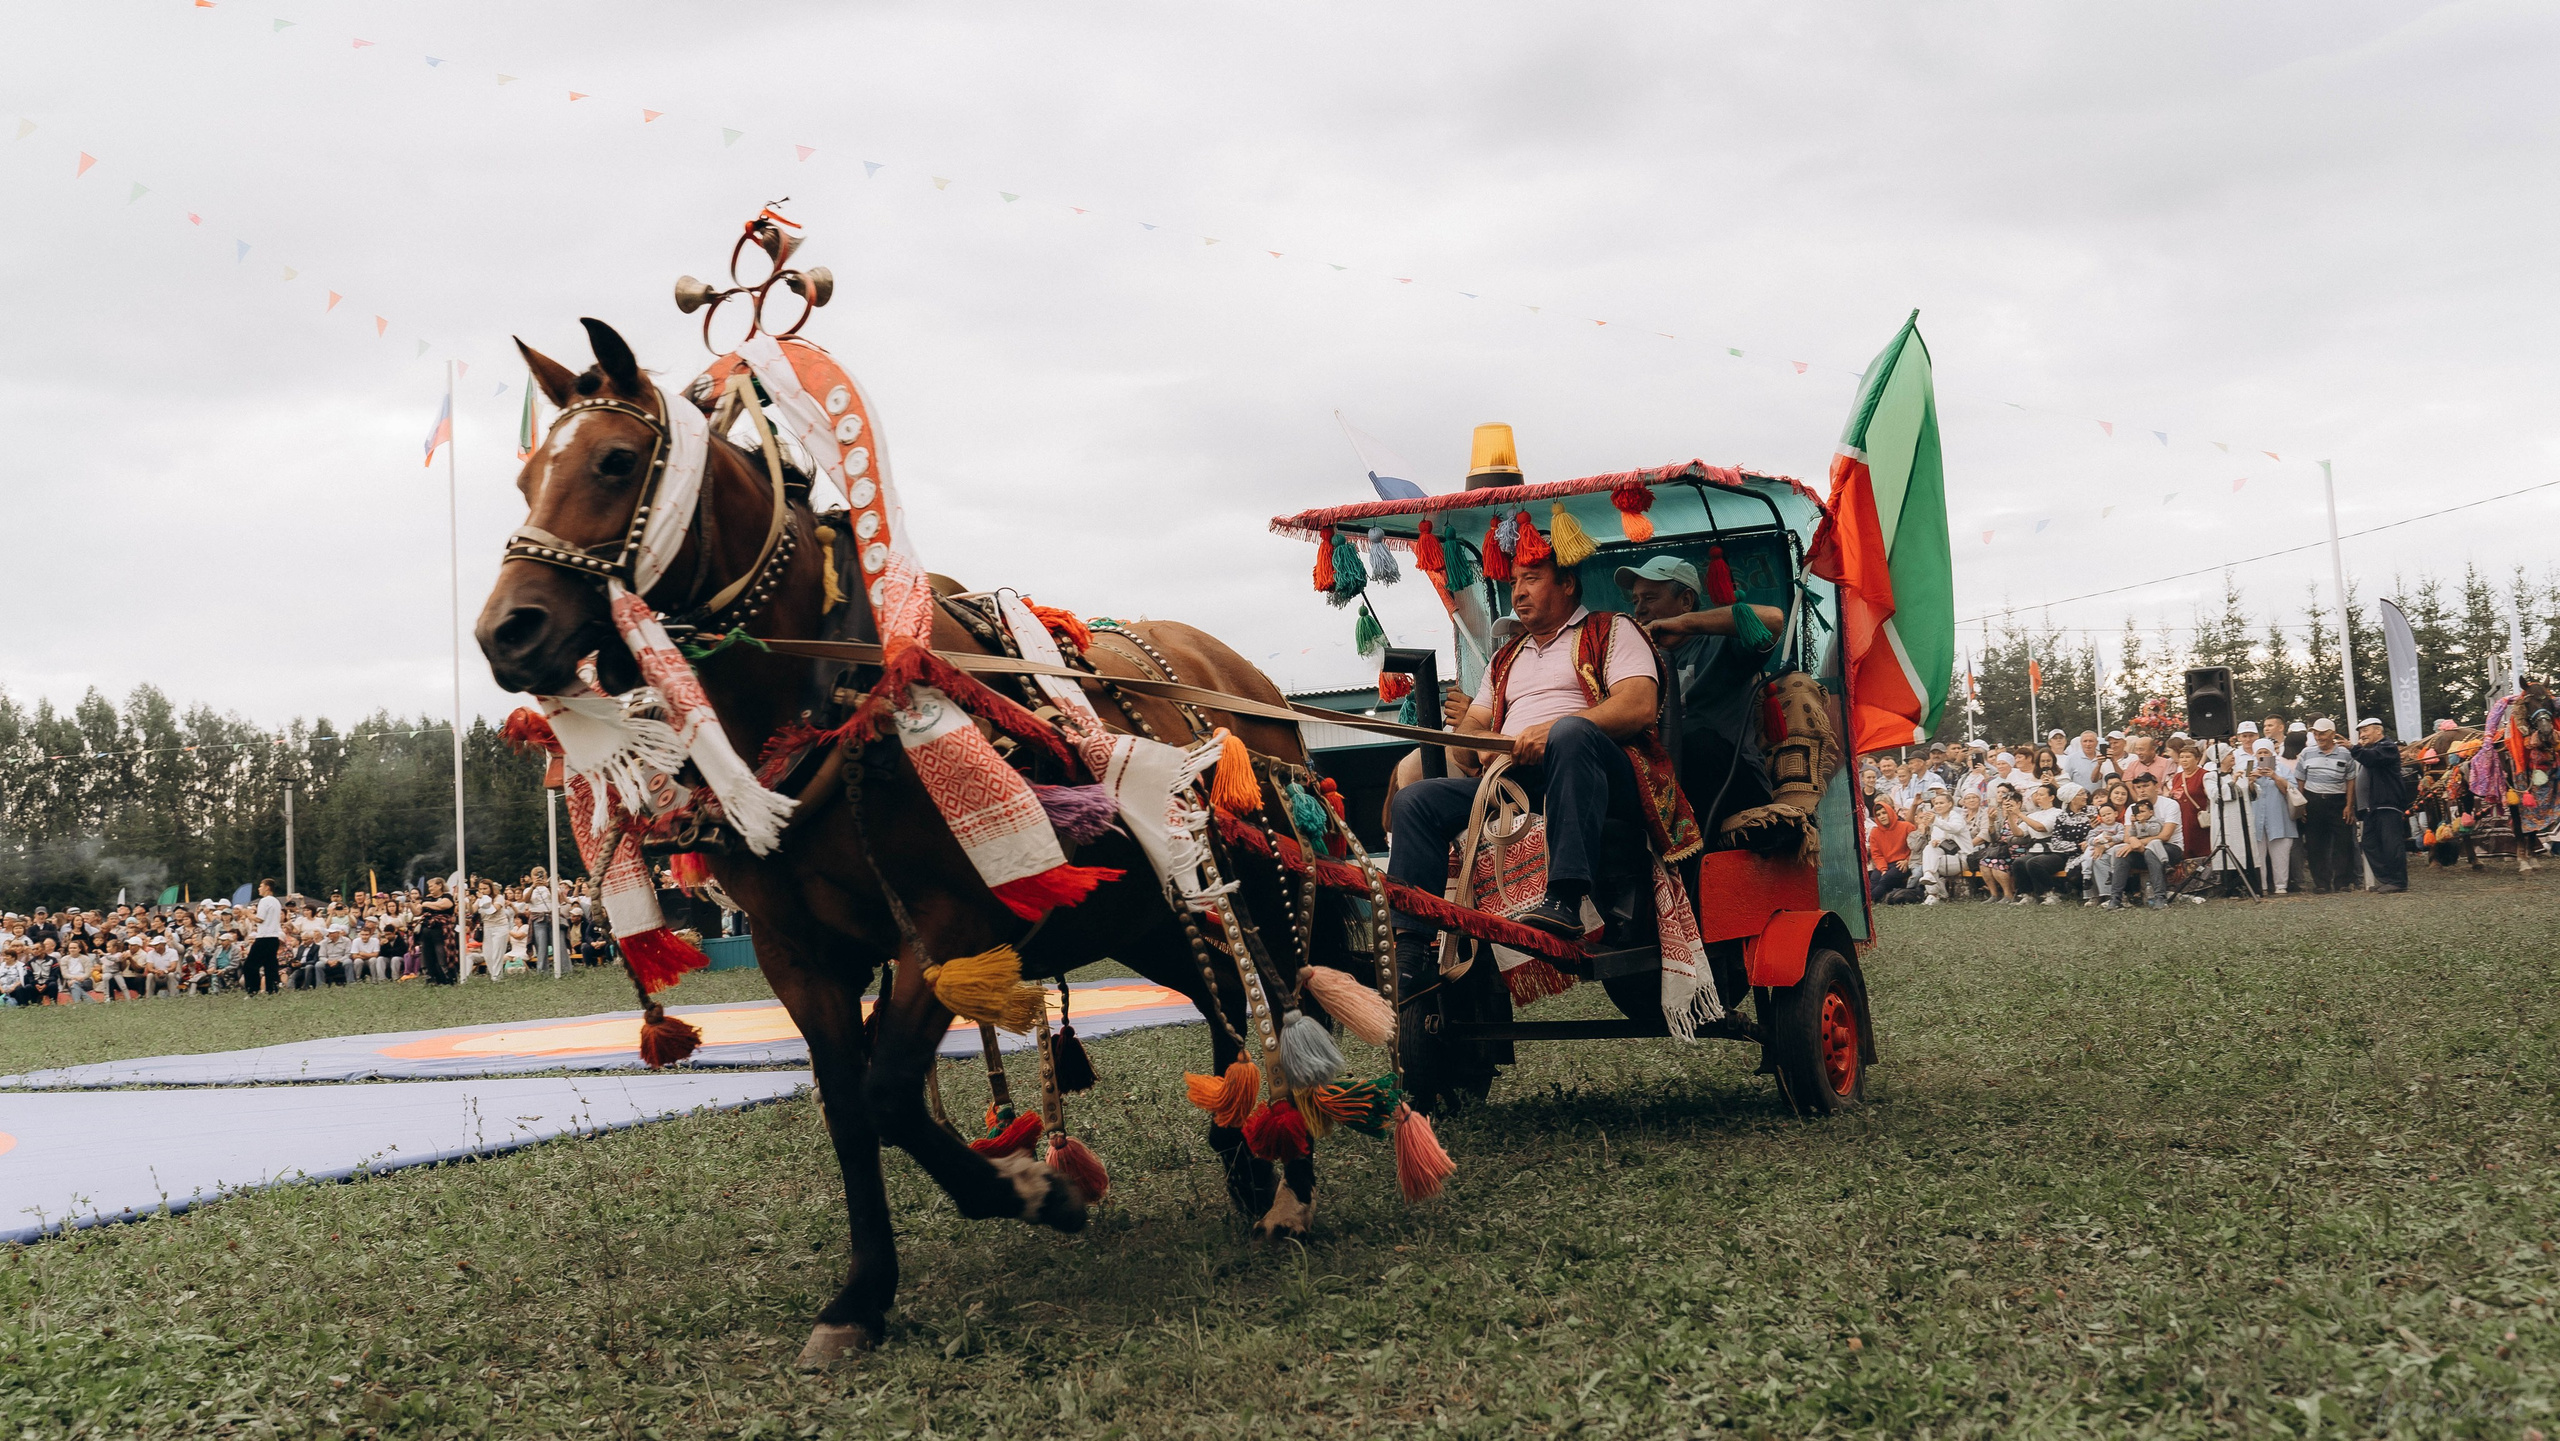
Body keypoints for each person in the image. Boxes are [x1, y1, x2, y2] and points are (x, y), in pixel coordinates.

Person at [1386, 545, 1694, 965]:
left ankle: (1564, 898)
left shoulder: (1613, 629)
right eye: (1514, 582)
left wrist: (1551, 731)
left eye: (1531, 579)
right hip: (1517, 780)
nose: (1517, 592)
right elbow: (1466, 743)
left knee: (1570, 734)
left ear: (1567, 584)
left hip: (1601, 774)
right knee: (1414, 800)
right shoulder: (1504, 657)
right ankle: (1411, 949)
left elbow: (1639, 705)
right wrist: (1486, 742)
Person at [1620, 555, 1788, 837]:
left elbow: (1773, 620)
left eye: (1650, 598)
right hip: (1665, 782)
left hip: (1732, 781)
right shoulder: (1634, 663)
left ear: (1686, 601)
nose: (1640, 609)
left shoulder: (1720, 643)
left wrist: (1685, 624)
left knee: (1695, 740)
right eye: (1635, 600)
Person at [2349, 716, 2411, 893]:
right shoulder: (2372, 750)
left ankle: (2398, 881)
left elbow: (2372, 759)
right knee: (2370, 843)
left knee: (2391, 844)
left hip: (2386, 804)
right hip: (2372, 807)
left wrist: (2353, 748)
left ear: (2378, 730)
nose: (2362, 735)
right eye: (2360, 732)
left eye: (2365, 730)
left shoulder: (2387, 747)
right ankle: (2387, 879)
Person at [2295, 719, 2358, 891]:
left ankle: (2342, 882)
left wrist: (2349, 805)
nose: (2318, 737)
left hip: (2338, 801)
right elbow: (2300, 780)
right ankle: (2321, 883)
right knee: (2315, 843)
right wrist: (2301, 805)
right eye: (2315, 733)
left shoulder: (2345, 753)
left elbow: (2350, 780)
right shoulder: (2307, 752)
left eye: (2322, 733)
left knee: (2343, 842)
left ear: (2332, 734)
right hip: (2313, 800)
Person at [2245, 741, 2304, 895]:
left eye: (2266, 752)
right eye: (2260, 753)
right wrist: (2250, 781)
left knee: (2281, 854)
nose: (2263, 755)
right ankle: (2262, 886)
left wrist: (2275, 777)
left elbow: (2291, 791)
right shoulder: (2249, 769)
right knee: (2258, 854)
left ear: (2272, 754)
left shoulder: (2282, 769)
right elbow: (2245, 794)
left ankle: (2281, 886)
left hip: (2279, 818)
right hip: (2256, 819)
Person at [1864, 796, 1915, 900]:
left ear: (1890, 812)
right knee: (1874, 878)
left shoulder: (1907, 827)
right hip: (1885, 864)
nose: (1882, 816)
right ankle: (1873, 898)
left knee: (1886, 879)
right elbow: (1877, 854)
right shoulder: (1875, 832)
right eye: (1878, 815)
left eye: (1884, 813)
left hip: (1901, 864)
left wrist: (1907, 861)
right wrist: (1883, 869)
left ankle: (1870, 900)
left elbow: (1916, 848)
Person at [243, 879, 285, 995]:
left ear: (267, 887)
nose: (259, 889)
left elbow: (259, 919)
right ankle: (273, 989)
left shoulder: (264, 901)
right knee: (270, 966)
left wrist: (248, 913)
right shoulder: (276, 902)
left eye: (261, 886)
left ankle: (252, 990)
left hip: (264, 937)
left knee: (250, 965)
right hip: (274, 937)